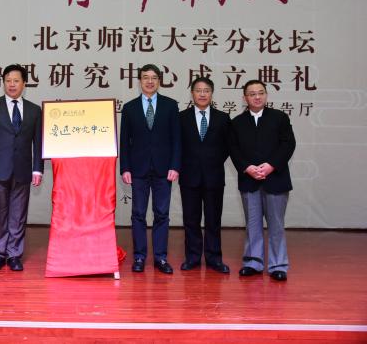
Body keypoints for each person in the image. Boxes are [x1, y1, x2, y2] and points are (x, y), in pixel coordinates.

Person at [0, 64, 44, 272]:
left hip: (23, 169)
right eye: (8, 81)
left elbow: (38, 142)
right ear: (3, 83)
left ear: (24, 84)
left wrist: (37, 169)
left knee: (18, 215)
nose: (12, 84)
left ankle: (14, 254)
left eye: (16, 81)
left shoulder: (34, 110)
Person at [229, 80, 296, 281]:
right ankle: (253, 262)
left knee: (276, 225)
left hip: (276, 179)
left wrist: (271, 165)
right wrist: (248, 168)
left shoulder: (279, 117)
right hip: (249, 180)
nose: (257, 97)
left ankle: (278, 265)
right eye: (252, 94)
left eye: (261, 93)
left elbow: (288, 144)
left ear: (266, 95)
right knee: (253, 224)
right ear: (245, 98)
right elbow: (233, 149)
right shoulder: (237, 122)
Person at [120, 64, 181, 274]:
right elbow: (124, 141)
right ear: (139, 81)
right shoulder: (129, 108)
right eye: (145, 77)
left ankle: (161, 258)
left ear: (159, 81)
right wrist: (125, 168)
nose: (150, 81)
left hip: (164, 170)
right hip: (138, 169)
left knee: (162, 214)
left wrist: (175, 165)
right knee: (138, 214)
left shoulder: (170, 105)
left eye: (154, 77)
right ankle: (139, 257)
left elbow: (177, 139)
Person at [179, 77, 231, 274]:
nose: (202, 94)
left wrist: (212, 161)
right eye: (198, 90)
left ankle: (214, 258)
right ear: (192, 93)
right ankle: (192, 258)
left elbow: (228, 147)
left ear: (212, 93)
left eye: (206, 90)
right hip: (189, 177)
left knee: (213, 220)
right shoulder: (181, 118)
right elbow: (177, 146)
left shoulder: (223, 118)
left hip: (214, 177)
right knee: (191, 220)